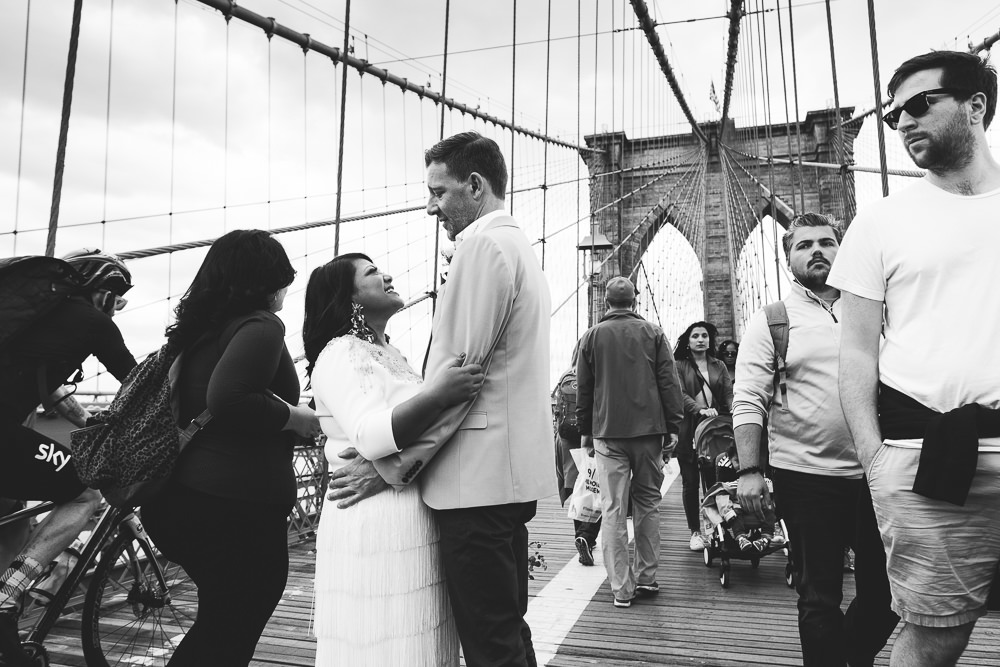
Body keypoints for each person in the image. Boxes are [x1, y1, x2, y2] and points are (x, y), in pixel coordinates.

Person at [325, 132, 554, 667]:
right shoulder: (518, 245)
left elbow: (457, 384)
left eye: (438, 192)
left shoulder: (481, 247)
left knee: (489, 643)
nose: (430, 207)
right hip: (504, 476)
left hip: (475, 483)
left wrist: (391, 468)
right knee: (506, 631)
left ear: (474, 185)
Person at [830, 51, 1000, 666]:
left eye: (920, 104)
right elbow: (855, 353)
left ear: (976, 106)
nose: (902, 121)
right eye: (893, 113)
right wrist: (876, 460)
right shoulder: (879, 222)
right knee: (935, 633)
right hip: (925, 459)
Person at [140, 230, 319, 667]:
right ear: (268, 276)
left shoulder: (199, 334)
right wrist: (297, 417)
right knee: (230, 630)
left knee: (222, 622)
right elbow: (230, 397)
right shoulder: (261, 325)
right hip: (231, 509)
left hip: (178, 501)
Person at [303, 252, 484, 665]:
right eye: (371, 273)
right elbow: (368, 435)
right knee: (382, 639)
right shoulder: (340, 352)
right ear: (350, 299)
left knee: (416, 636)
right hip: (374, 517)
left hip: (410, 510)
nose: (387, 274)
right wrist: (439, 394)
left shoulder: (393, 353)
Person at [734, 212, 898, 666]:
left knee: (888, 593)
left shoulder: (875, 309)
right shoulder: (771, 321)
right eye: (804, 245)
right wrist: (750, 471)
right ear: (788, 258)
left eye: (826, 242)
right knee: (819, 596)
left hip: (875, 471)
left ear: (842, 250)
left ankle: (848, 653)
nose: (817, 251)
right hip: (806, 479)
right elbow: (748, 397)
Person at [0, 249, 137, 665]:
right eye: (119, 298)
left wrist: (87, 423)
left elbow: (51, 388)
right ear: (105, 292)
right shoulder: (92, 322)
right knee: (85, 493)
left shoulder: (34, 322)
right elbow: (138, 384)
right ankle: (7, 595)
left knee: (12, 518)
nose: (118, 308)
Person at [575, 276, 684, 608]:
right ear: (635, 301)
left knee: (613, 508)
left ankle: (621, 588)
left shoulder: (591, 336)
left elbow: (584, 388)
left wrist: (585, 428)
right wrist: (674, 424)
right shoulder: (653, 333)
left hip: (608, 432)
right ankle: (647, 578)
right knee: (648, 505)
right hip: (650, 431)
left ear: (606, 302)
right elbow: (669, 381)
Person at [673, 321, 733, 552]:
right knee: (690, 482)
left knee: (714, 481)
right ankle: (695, 532)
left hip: (713, 430)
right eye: (695, 336)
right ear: (688, 341)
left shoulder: (718, 365)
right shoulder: (678, 366)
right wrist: (699, 409)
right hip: (688, 430)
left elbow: (727, 394)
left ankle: (714, 528)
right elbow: (679, 394)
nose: (700, 339)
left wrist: (734, 411)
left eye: (704, 335)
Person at [553, 346, 601, 566]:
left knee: (577, 488)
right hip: (592, 436)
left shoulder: (565, 376)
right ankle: (587, 536)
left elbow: (558, 412)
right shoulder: (598, 375)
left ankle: (581, 537)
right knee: (595, 487)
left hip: (567, 438)